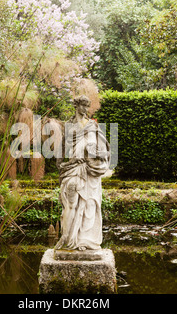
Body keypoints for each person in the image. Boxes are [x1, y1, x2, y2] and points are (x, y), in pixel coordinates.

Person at [55, 95, 110, 251]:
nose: (86, 109)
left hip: (89, 170)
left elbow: (103, 151)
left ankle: (84, 240)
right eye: (83, 106)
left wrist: (95, 153)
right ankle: (67, 238)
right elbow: (61, 151)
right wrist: (63, 164)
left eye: (88, 106)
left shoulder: (92, 126)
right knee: (70, 203)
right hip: (73, 167)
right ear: (76, 106)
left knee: (88, 203)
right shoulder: (69, 126)